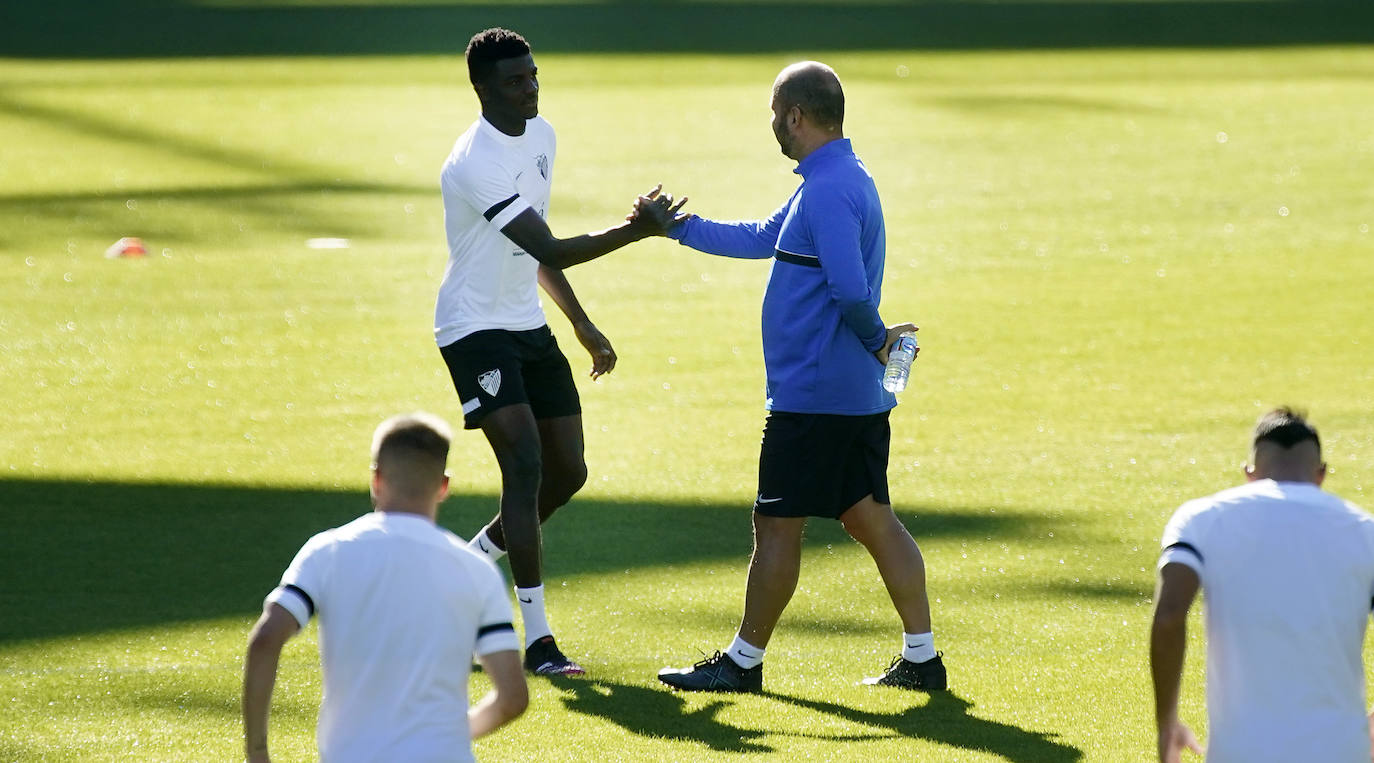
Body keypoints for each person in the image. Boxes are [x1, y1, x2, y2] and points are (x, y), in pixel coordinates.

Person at [639, 61, 947, 693]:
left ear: (796, 116)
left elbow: (848, 290)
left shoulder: (830, 189)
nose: (773, 127)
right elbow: (762, 238)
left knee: (776, 523)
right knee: (870, 518)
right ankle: (923, 658)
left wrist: (876, 342)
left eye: (775, 115)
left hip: (817, 398)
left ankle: (743, 663)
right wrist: (677, 228)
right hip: (843, 397)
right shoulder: (831, 179)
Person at [437, 27, 676, 676]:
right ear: (483, 89)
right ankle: (537, 641)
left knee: (569, 471)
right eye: (515, 81)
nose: (531, 87)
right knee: (526, 463)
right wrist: (636, 231)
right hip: (473, 329)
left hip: (525, 321)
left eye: (534, 75)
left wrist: (581, 322)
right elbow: (551, 246)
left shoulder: (542, 137)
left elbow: (531, 252)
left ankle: (472, 558)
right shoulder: (474, 162)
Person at [242, 412, 528, 763]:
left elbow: (264, 641)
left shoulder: (328, 551)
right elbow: (512, 698)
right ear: (443, 486)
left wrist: (257, 754)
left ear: (376, 480)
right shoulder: (476, 571)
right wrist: (443, 736)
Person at [1151, 407, 1374, 762]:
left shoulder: (1200, 519)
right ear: (1321, 474)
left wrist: (1167, 723)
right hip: (1341, 749)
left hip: (1241, 751)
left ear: (1249, 473)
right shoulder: (1366, 532)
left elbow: (1168, 616)